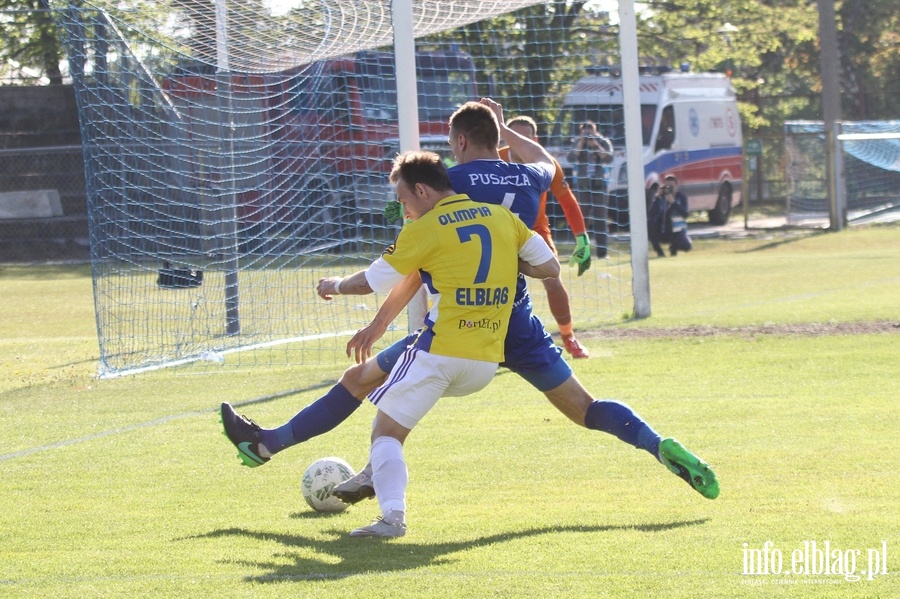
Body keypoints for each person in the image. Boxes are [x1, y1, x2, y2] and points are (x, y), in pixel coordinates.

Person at [219, 99, 719, 524]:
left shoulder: (445, 186)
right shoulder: (528, 176)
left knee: (363, 383)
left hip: (459, 323)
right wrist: (505, 134)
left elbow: (414, 266)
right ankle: (657, 445)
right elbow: (549, 163)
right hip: (514, 317)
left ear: (456, 143)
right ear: (495, 134)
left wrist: (376, 320)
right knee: (586, 409)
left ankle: (274, 448)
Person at [316, 151, 562, 537]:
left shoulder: (426, 228)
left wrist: (334, 285)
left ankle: (392, 518)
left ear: (421, 190)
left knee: (385, 433)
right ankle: (372, 483)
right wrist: (509, 262)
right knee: (385, 398)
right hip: (484, 364)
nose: (404, 210)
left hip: (440, 352)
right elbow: (550, 267)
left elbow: (369, 282)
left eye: (403, 200)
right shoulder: (502, 218)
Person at [499, 115, 591, 359]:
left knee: (553, 277)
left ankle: (569, 337)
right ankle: (492, 342)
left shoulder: (546, 163)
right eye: (511, 135)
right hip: (498, 231)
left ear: (534, 140)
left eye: (523, 137)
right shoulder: (493, 159)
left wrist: (582, 238)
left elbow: (567, 201)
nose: (517, 142)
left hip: (536, 230)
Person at [567, 121, 613, 258]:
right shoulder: (577, 142)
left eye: (590, 131)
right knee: (581, 220)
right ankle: (581, 252)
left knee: (601, 220)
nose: (587, 134)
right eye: (584, 131)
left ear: (595, 130)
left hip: (599, 186)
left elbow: (609, 158)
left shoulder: (603, 142)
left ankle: (602, 253)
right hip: (583, 187)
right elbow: (571, 158)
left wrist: (596, 146)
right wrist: (581, 144)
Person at [648, 175, 692, 258]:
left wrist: (673, 202)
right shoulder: (660, 198)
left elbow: (685, 214)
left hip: (677, 231)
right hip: (663, 230)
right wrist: (657, 197)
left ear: (676, 186)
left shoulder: (681, 197)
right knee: (649, 224)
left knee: (687, 246)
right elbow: (651, 214)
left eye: (671, 186)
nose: (669, 189)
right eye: (667, 187)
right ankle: (660, 253)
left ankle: (673, 250)